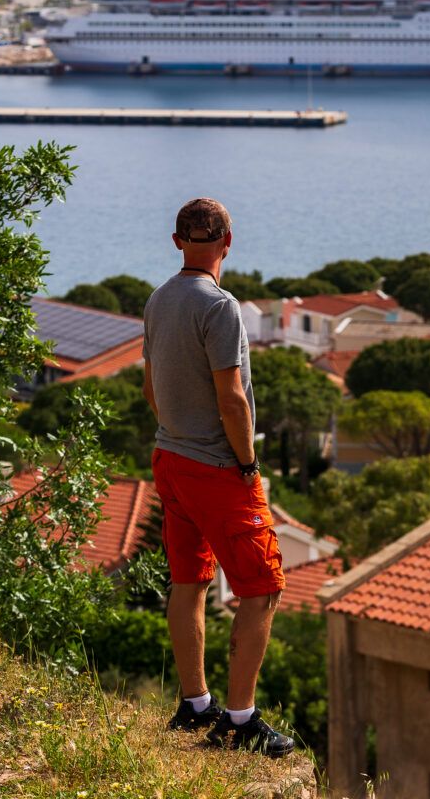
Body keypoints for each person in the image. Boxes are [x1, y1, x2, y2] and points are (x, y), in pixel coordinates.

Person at [142, 197, 293, 758]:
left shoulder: (159, 301)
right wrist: (247, 464)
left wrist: (179, 437)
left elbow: (151, 393)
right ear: (228, 242)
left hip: (170, 460)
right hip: (216, 467)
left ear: (176, 240)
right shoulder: (220, 306)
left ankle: (194, 704)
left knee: (189, 581)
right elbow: (233, 400)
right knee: (262, 590)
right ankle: (239, 720)